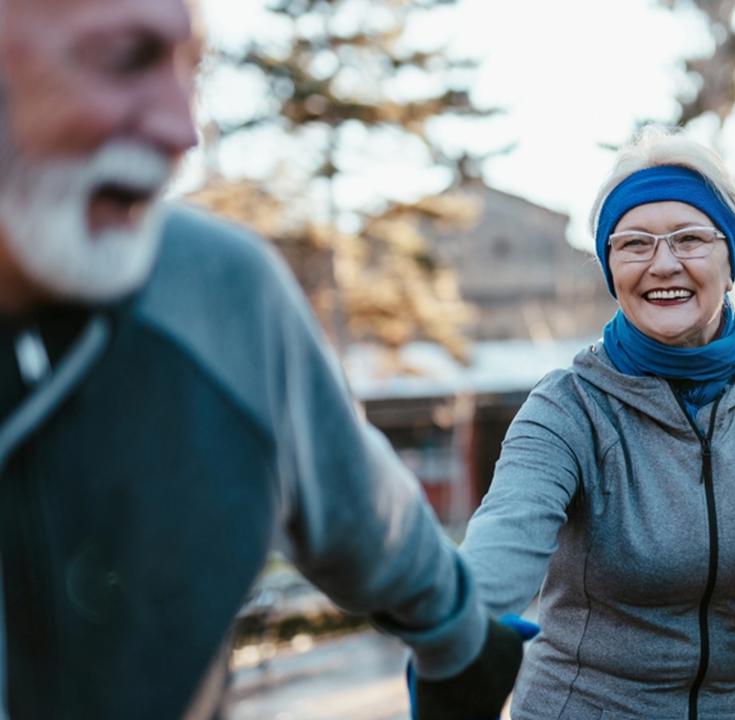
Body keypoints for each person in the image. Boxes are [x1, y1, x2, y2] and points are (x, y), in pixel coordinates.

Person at [0, 0, 525, 717]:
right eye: (127, 58)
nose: (182, 129)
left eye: (194, 70)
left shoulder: (220, 290)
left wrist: (468, 645)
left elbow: (367, 512)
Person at [459, 126, 735, 719]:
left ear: (731, 258)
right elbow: (504, 539)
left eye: (690, 238)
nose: (663, 264)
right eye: (635, 243)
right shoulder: (568, 407)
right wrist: (451, 634)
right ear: (610, 266)